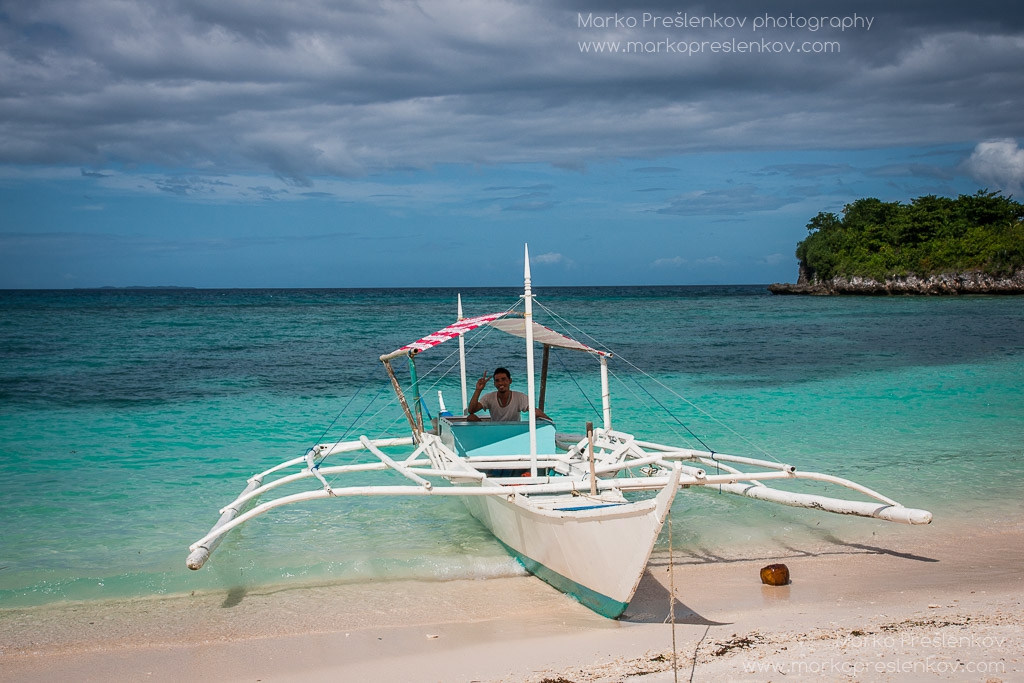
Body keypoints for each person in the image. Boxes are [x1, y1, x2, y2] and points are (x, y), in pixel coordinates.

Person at [467, 367, 550, 422]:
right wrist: (478, 390)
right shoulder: (489, 397)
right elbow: (471, 411)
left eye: (503, 379)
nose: (500, 383)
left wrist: (550, 422)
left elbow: (534, 411)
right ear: (494, 383)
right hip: (494, 431)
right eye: (497, 380)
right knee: (471, 418)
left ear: (510, 381)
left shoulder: (519, 397)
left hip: (514, 433)